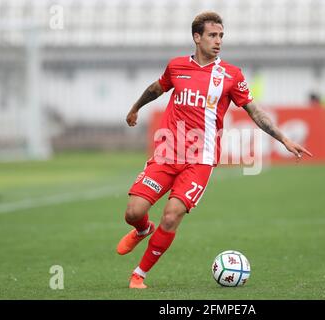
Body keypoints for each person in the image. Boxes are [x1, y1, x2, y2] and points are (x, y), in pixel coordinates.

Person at [116, 11, 313, 289]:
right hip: (167, 153)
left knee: (171, 215)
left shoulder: (231, 76)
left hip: (200, 160)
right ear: (197, 37)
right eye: (212, 35)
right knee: (133, 212)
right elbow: (156, 88)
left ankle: (139, 274)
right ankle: (142, 229)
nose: (218, 41)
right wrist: (135, 108)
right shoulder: (176, 67)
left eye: (221, 35)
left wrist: (283, 138)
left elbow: (255, 112)